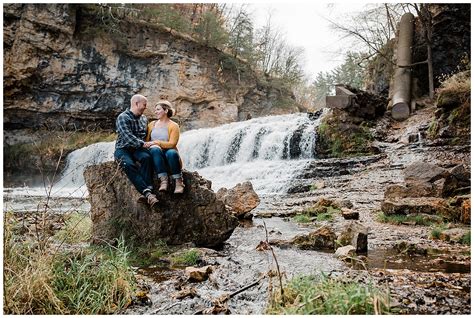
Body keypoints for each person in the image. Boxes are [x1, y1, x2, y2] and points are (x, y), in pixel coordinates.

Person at [114, 94, 159, 208]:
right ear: (136, 103)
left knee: (146, 158)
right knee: (128, 164)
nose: (145, 107)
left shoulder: (144, 119)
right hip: (123, 148)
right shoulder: (123, 117)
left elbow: (145, 136)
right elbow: (127, 137)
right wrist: (144, 144)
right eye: (144, 105)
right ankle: (148, 193)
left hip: (138, 149)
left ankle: (148, 188)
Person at [144, 100, 185, 194]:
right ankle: (163, 180)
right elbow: (146, 142)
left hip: (169, 154)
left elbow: (172, 144)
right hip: (155, 154)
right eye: (155, 110)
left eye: (158, 109)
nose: (155, 112)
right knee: (155, 149)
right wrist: (153, 145)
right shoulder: (151, 125)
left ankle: (179, 182)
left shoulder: (174, 126)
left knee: (172, 152)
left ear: (166, 110)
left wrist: (157, 142)